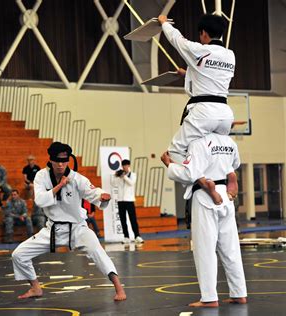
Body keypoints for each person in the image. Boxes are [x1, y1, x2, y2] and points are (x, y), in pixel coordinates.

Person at [11, 142, 126, 301]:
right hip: (52, 229)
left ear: (68, 161)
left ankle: (119, 289)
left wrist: (102, 196)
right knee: (18, 254)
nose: (60, 164)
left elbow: (92, 191)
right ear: (50, 160)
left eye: (64, 161)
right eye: (57, 161)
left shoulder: (77, 178)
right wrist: (60, 186)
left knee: (98, 251)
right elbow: (40, 200)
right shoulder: (41, 176)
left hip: (77, 228)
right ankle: (35, 287)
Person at [158, 14, 238, 204]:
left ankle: (202, 182)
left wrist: (163, 23)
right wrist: (188, 74)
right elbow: (211, 76)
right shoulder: (230, 55)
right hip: (225, 113)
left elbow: (176, 39)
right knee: (218, 150)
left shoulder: (199, 51)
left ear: (203, 33)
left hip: (203, 111)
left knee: (175, 151)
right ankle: (230, 174)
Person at [160, 132, 247, 308]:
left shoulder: (198, 143)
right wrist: (230, 177)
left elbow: (189, 173)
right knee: (231, 248)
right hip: (225, 195)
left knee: (204, 249)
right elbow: (234, 165)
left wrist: (169, 165)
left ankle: (209, 298)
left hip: (205, 195)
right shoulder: (229, 142)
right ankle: (239, 293)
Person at [111, 159, 143, 244]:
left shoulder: (133, 174)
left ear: (129, 165)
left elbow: (131, 183)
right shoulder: (120, 175)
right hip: (121, 200)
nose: (124, 167)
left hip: (129, 200)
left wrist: (124, 176)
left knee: (133, 219)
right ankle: (126, 237)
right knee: (122, 219)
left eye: (126, 165)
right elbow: (113, 184)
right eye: (123, 165)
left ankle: (137, 236)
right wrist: (116, 176)